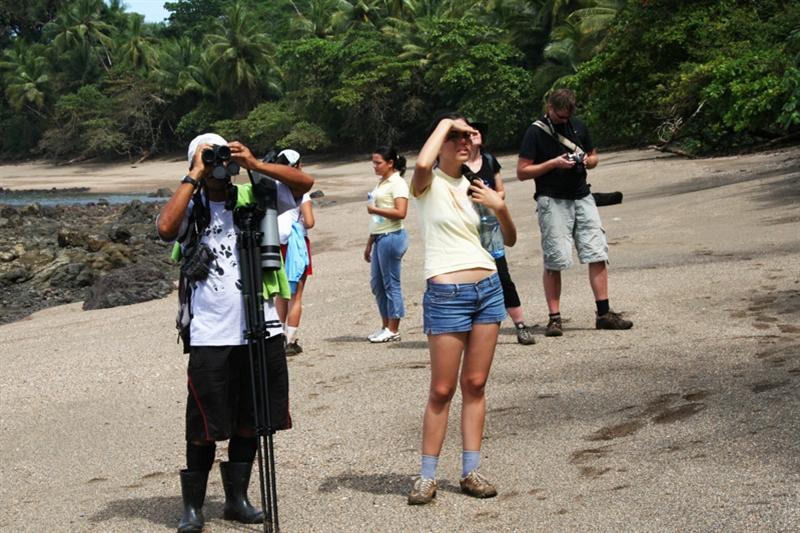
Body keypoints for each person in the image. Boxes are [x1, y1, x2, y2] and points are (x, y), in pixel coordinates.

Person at [156, 133, 314, 533]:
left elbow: (304, 183)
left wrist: (255, 164)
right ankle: (193, 507)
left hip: (260, 327)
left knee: (252, 417)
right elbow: (165, 228)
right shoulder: (193, 205)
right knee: (205, 424)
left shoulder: (255, 197)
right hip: (210, 332)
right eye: (207, 158)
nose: (217, 165)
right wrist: (194, 174)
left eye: (219, 156)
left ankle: (236, 499)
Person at [407, 113, 517, 505]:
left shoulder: (477, 187)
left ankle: (471, 471)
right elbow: (422, 162)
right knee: (441, 389)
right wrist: (445, 122)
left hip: (487, 288)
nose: (463, 142)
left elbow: (510, 238)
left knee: (475, 385)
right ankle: (427, 476)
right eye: (455, 137)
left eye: (468, 136)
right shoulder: (427, 183)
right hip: (447, 294)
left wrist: (498, 205)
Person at [516, 88, 632, 337]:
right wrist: (553, 164)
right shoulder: (535, 132)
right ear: (549, 108)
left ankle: (603, 313)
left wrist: (588, 161)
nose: (564, 121)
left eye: (567, 117)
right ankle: (554, 318)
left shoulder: (578, 126)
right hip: (552, 199)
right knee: (555, 258)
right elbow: (522, 171)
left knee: (597, 251)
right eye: (559, 117)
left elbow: (594, 156)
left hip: (582, 196)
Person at [465, 120, 536, 346]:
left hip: (491, 227)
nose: (474, 136)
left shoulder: (488, 160)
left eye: (477, 133)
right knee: (469, 277)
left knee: (503, 276)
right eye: (470, 133)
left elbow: (501, 190)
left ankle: (521, 325)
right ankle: (469, 329)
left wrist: (494, 201)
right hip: (467, 230)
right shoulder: (454, 167)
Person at [363, 146, 410, 343]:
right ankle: (385, 326)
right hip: (380, 236)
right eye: (373, 162)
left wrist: (375, 209)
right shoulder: (382, 182)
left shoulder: (397, 183)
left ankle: (393, 328)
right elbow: (377, 219)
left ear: (390, 163)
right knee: (377, 284)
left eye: (378, 163)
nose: (374, 166)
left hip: (392, 236)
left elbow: (401, 213)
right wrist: (369, 243)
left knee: (391, 284)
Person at [275, 149, 315, 356]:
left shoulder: (273, 188)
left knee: (280, 294)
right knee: (296, 296)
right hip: (295, 245)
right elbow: (309, 221)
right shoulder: (300, 191)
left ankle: (277, 337)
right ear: (298, 166)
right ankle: (291, 340)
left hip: (276, 244)